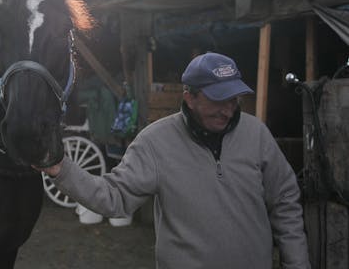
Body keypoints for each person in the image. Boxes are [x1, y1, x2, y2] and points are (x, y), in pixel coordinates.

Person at [40, 52, 311, 269]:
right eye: (218, 100)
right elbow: (114, 197)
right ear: (189, 98)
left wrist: (297, 263)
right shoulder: (155, 143)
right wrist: (61, 169)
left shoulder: (256, 135)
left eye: (233, 100)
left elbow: (285, 200)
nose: (227, 110)